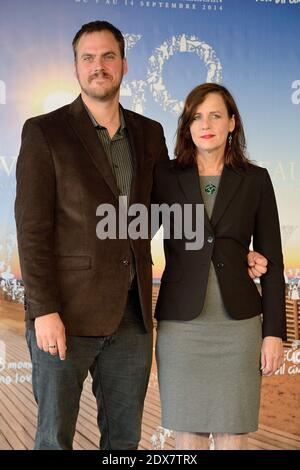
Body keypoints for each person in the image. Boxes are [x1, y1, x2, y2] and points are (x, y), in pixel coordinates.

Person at [15, 21, 267, 450]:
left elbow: (173, 206)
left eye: (108, 56)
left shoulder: (149, 133)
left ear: (124, 65)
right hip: (65, 318)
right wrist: (43, 310)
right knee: (54, 439)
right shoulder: (44, 131)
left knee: (124, 442)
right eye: (88, 58)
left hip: (133, 321)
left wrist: (226, 249)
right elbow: (33, 228)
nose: (99, 66)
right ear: (76, 68)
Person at [153, 83, 286, 450]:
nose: (205, 123)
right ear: (186, 126)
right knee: (187, 439)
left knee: (232, 437)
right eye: (196, 116)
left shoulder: (256, 180)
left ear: (232, 123)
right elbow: (135, 233)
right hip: (182, 329)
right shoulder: (164, 176)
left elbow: (271, 260)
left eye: (215, 115)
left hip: (238, 328)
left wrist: (273, 332)